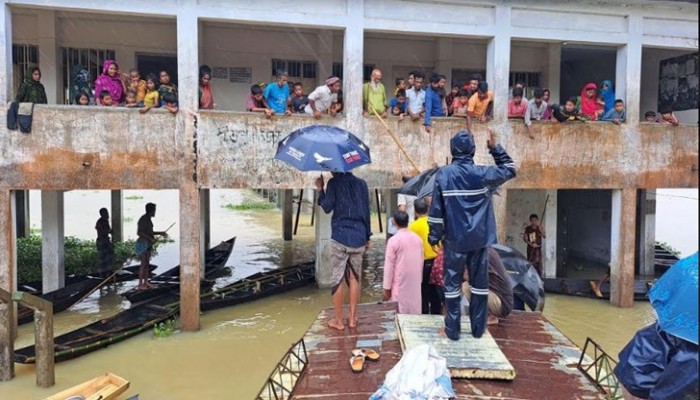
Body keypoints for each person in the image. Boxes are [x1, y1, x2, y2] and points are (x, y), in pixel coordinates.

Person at [428, 128, 516, 340]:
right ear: (473, 150)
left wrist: (433, 237)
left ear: (452, 149)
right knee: (479, 286)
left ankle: (452, 330)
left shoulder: (444, 174)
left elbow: (436, 213)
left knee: (452, 287)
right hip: (479, 241)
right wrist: (495, 149)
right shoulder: (483, 174)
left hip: (454, 241)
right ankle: (478, 329)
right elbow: (510, 169)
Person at [316, 172, 372, 330]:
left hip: (340, 236)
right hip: (359, 236)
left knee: (337, 278)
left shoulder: (334, 183)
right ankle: (353, 319)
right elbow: (366, 212)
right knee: (355, 278)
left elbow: (327, 207)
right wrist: (367, 236)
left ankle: (339, 321)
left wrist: (321, 189)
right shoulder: (362, 184)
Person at [383, 210, 424, 315]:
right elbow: (421, 261)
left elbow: (389, 266)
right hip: (415, 281)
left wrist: (386, 287)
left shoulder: (393, 241)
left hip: (400, 283)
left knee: (400, 312)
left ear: (395, 222)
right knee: (414, 310)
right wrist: (420, 278)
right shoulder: (418, 239)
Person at [463, 246, 514, 325]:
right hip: (496, 297)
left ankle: (490, 316)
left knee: (467, 287)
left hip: (502, 304)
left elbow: (467, 276)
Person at [409, 199, 441, 315]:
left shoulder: (412, 227)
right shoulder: (435, 223)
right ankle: (436, 316)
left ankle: (424, 315)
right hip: (437, 262)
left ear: (415, 212)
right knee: (435, 293)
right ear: (428, 209)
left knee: (423, 292)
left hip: (422, 264)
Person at [135, 203, 169, 290]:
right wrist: (150, 238)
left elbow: (149, 232)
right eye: (154, 210)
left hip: (148, 244)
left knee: (147, 264)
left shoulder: (149, 219)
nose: (155, 212)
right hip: (142, 244)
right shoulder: (143, 219)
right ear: (151, 210)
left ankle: (146, 282)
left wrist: (160, 233)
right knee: (143, 264)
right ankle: (140, 284)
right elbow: (139, 232)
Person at [95, 208, 114, 276]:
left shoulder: (106, 221)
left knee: (109, 257)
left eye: (107, 213)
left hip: (106, 240)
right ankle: (102, 274)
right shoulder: (100, 221)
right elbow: (103, 232)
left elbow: (108, 230)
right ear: (102, 214)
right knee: (103, 258)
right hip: (102, 241)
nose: (107, 214)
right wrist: (109, 231)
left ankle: (109, 272)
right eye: (106, 213)